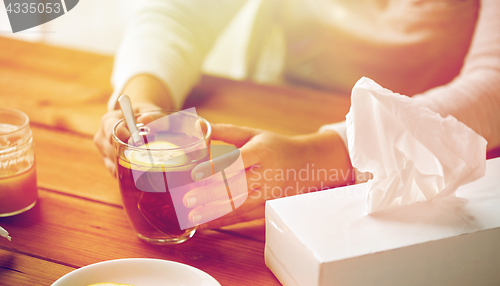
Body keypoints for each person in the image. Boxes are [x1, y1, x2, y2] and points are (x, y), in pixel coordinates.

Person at [94, 0, 500, 230]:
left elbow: (493, 82)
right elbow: (183, 11)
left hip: (433, 159)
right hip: (275, 112)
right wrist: (142, 99)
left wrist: (323, 156)